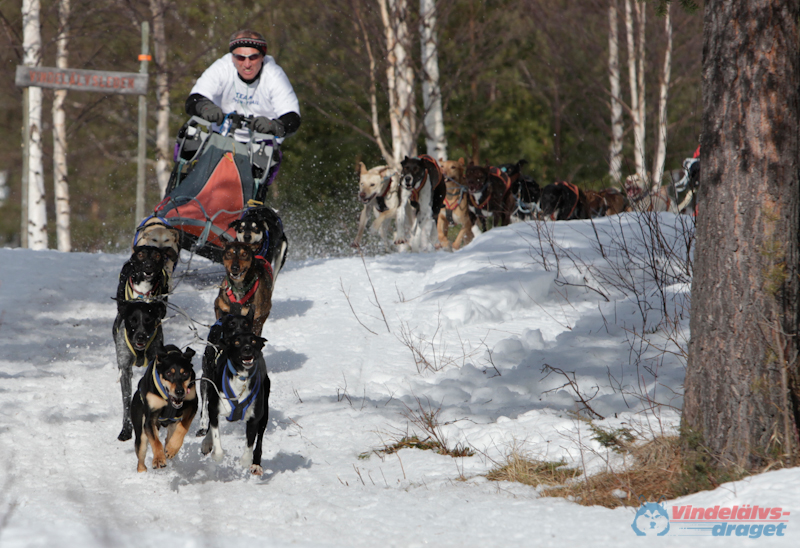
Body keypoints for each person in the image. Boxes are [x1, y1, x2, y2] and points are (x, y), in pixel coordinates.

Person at [185, 30, 301, 139]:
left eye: (253, 57)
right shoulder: (222, 68)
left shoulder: (274, 75)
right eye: (240, 58)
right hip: (221, 137)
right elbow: (193, 100)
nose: (247, 64)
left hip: (262, 142)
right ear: (232, 57)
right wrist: (204, 107)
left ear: (262, 57)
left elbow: (292, 118)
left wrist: (274, 126)